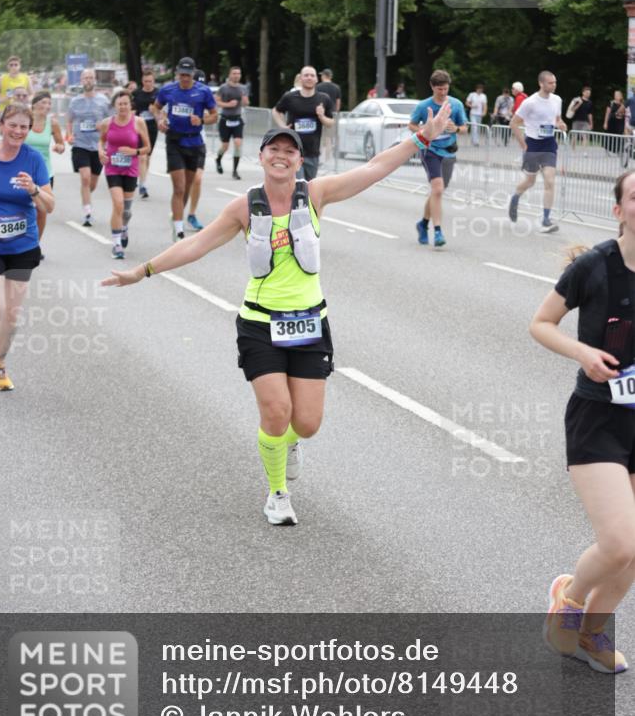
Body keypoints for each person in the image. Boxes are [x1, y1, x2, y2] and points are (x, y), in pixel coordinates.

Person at [102, 108, 451, 525]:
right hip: (260, 324)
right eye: (274, 149)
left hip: (308, 323)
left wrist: (422, 139)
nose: (281, 156)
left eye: (290, 150)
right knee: (275, 410)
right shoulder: (243, 207)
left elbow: (375, 168)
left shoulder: (316, 194)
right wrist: (142, 272)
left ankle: (288, 443)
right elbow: (197, 244)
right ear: (262, 156)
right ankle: (277, 493)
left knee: (306, 423)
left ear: (298, 161)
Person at [530, 168, 635, 675]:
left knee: (633, 553)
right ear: (619, 209)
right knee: (620, 541)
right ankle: (568, 600)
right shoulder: (595, 265)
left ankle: (592, 633)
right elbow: (540, 324)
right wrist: (583, 352)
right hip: (599, 418)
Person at [0, 105, 54, 391]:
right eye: (13, 125)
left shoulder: (33, 160)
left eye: (24, 127)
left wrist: (34, 190)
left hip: (22, 244)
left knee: (13, 313)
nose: (18, 131)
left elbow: (49, 206)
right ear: (1, 124)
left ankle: (0, 365)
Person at [151, 57, 217, 237]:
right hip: (174, 141)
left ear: (193, 73)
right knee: (179, 188)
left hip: (194, 142)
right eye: (182, 75)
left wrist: (202, 120)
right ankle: (179, 231)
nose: (185, 78)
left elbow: (214, 116)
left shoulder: (203, 91)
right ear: (177, 73)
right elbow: (155, 107)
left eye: (188, 75)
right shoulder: (168, 90)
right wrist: (160, 120)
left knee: (188, 187)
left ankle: (177, 216)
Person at [408, 69, 468, 249]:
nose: (443, 93)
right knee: (438, 188)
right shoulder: (424, 106)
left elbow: (465, 127)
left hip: (448, 151)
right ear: (432, 87)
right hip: (430, 150)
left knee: (437, 192)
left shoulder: (455, 105)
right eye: (439, 89)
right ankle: (438, 231)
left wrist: (455, 129)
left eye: (445, 89)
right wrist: (425, 131)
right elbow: (411, 124)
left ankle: (423, 224)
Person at [508, 70, 567, 234]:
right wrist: (523, 144)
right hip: (533, 144)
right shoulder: (530, 102)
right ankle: (515, 197)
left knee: (549, 181)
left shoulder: (557, 100)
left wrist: (561, 124)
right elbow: (514, 123)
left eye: (555, 82)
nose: (554, 85)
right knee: (530, 181)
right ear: (541, 83)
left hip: (549, 145)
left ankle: (546, 219)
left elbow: (556, 119)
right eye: (550, 83)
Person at [98, 91, 151, 259]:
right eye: (120, 104)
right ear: (115, 106)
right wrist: (101, 152)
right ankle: (117, 244)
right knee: (118, 204)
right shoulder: (107, 123)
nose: (123, 107)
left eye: (125, 103)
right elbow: (101, 141)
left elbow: (147, 148)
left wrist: (133, 151)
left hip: (130, 169)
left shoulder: (139, 122)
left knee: (126, 211)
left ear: (130, 105)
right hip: (112, 168)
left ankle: (124, 227)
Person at [65, 68, 111, 226]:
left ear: (95, 80)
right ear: (81, 80)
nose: (88, 80)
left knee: (92, 183)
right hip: (80, 144)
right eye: (85, 78)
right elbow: (69, 121)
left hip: (98, 146)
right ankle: (87, 213)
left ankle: (86, 197)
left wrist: (102, 126)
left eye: (91, 78)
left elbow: (111, 121)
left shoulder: (104, 101)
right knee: (85, 178)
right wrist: (69, 136)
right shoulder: (75, 101)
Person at [272, 65, 333, 181]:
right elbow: (276, 111)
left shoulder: (323, 99)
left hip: (312, 152)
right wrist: (282, 126)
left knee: (309, 187)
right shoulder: (290, 97)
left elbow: (330, 123)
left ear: (316, 79)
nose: (309, 78)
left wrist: (321, 116)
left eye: (312, 75)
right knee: (298, 184)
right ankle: (295, 199)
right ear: (301, 79)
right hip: (293, 150)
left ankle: (305, 200)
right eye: (306, 75)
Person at [24, 91, 64, 246]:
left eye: (49, 104)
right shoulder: (26, 121)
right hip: (23, 172)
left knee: (42, 211)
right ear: (34, 104)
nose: (46, 106)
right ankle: (20, 243)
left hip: (45, 173)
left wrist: (59, 147)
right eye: (43, 103)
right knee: (24, 209)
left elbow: (60, 143)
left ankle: (35, 245)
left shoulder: (52, 123)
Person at [215, 66, 249, 180]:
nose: (236, 75)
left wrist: (245, 101)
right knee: (225, 146)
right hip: (225, 119)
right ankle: (218, 159)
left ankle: (235, 171)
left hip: (237, 119)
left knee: (238, 143)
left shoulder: (243, 88)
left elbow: (246, 103)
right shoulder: (223, 88)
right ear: (229, 75)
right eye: (234, 73)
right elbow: (217, 101)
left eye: (238, 73)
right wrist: (228, 105)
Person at [131, 69, 159, 199]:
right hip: (139, 127)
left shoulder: (158, 93)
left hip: (152, 127)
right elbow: (132, 110)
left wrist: (154, 112)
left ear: (154, 81)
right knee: (142, 156)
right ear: (142, 81)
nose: (148, 84)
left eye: (151, 81)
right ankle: (142, 185)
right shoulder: (136, 94)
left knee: (147, 157)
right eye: (146, 81)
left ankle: (142, 179)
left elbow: (161, 112)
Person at [603, 90, 629, 155]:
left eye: (617, 94)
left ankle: (618, 150)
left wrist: (622, 115)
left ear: (621, 96)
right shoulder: (611, 103)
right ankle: (607, 150)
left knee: (620, 136)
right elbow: (607, 113)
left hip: (620, 122)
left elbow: (625, 113)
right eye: (615, 94)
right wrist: (605, 123)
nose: (616, 96)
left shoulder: (623, 103)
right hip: (612, 122)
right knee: (610, 136)